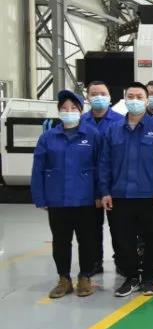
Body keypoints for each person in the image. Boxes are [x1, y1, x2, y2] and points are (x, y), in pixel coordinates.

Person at [99, 82, 153, 297]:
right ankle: (130, 278)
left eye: (140, 97)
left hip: (149, 195)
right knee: (122, 240)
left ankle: (148, 279)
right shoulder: (113, 129)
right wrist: (105, 191)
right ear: (124, 99)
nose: (135, 101)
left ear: (147, 101)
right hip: (120, 195)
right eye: (131, 96)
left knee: (152, 239)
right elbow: (104, 163)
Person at [32, 89, 102, 298]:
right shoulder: (48, 137)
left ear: (81, 111)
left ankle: (85, 277)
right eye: (64, 108)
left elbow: (101, 166)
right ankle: (64, 279)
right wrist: (40, 197)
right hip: (58, 199)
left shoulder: (92, 135)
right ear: (59, 111)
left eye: (73, 108)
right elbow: (38, 168)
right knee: (61, 241)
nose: (69, 111)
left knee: (87, 240)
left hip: (86, 200)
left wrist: (101, 193)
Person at [81, 80, 123, 276]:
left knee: (119, 227)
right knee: (90, 228)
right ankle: (94, 262)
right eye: (94, 94)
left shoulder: (120, 121)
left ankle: (122, 261)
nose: (98, 97)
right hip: (87, 185)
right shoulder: (80, 121)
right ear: (87, 97)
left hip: (114, 184)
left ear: (110, 97)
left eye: (103, 94)